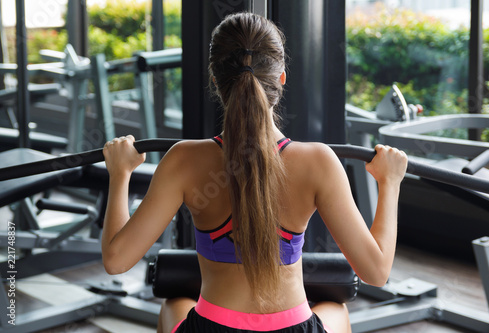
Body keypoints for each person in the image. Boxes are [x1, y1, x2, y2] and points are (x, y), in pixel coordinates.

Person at [101, 12, 408, 333]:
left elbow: (116, 260)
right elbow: (376, 271)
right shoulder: (320, 161)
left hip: (212, 326)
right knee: (335, 309)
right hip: (292, 328)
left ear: (215, 79)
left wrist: (119, 174)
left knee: (174, 306)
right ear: (281, 78)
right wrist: (389, 182)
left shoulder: (183, 159)